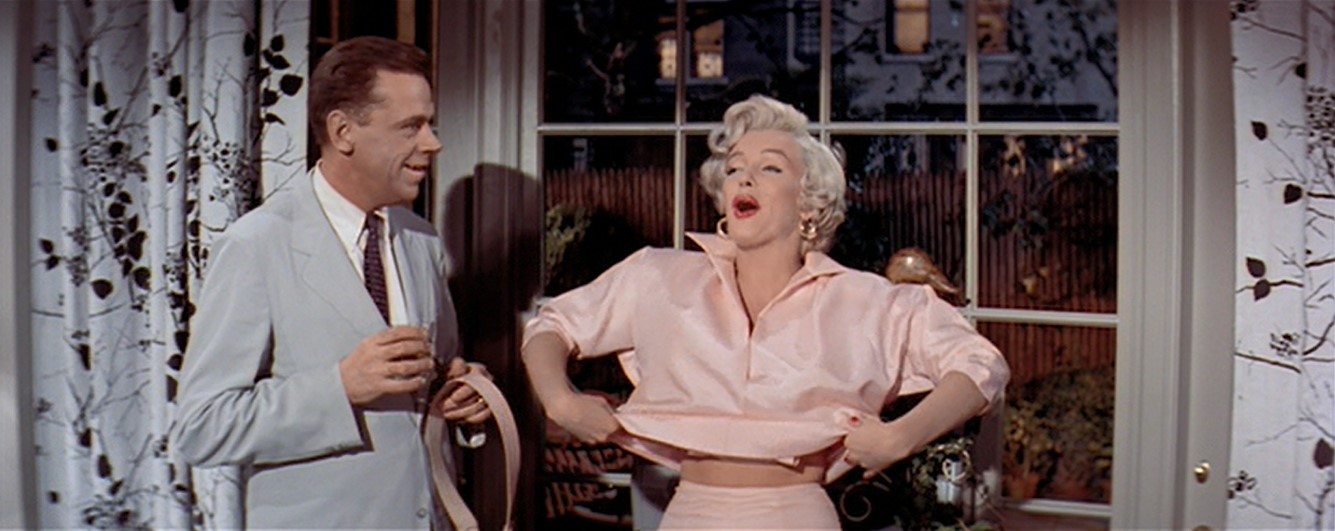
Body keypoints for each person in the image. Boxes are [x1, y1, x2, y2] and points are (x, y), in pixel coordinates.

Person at [523, 95, 1010, 529]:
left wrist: (901, 437)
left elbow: (981, 365)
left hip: (795, 516)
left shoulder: (868, 302)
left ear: (809, 205)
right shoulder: (659, 277)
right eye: (735, 168)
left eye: (771, 168)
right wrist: (561, 402)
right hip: (689, 513)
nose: (745, 177)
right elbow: (552, 326)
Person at [172, 36, 490, 529]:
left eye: (430, 124)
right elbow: (202, 426)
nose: (432, 143)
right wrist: (340, 387)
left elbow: (440, 373)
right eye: (411, 126)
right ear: (343, 132)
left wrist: (461, 391)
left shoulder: (420, 239)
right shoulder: (257, 246)